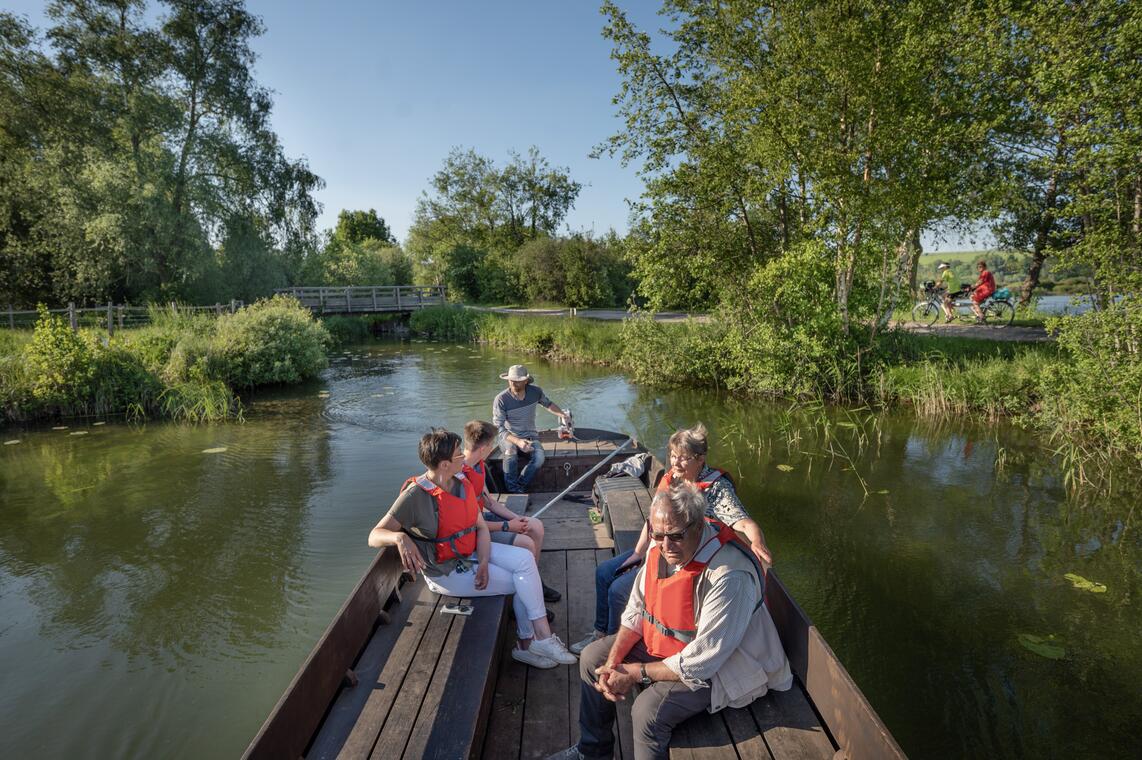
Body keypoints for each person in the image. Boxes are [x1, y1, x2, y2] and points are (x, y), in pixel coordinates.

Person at [548, 483, 793, 760]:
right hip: (672, 645)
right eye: (658, 534)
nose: (665, 545)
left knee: (647, 711)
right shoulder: (661, 545)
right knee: (594, 658)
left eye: (675, 536)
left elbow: (703, 660)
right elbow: (636, 609)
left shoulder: (729, 576)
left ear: (699, 527)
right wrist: (613, 662)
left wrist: (635, 672)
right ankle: (591, 751)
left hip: (724, 665)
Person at [367, 428, 576, 669]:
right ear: (445, 465)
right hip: (446, 573)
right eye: (458, 454)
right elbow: (375, 535)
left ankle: (540, 639)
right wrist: (399, 539)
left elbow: (481, 528)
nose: (463, 457)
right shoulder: (415, 496)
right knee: (521, 581)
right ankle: (527, 644)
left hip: (472, 555)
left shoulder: (461, 482)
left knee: (525, 560)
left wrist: (485, 562)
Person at [570, 423, 774, 655]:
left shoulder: (717, 488)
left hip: (681, 557)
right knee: (604, 572)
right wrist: (638, 553)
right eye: (673, 456)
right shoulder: (673, 479)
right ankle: (600, 633)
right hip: (657, 548)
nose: (675, 463)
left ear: (700, 459)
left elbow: (745, 522)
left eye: (684, 458)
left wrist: (757, 541)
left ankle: (615, 642)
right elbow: (653, 521)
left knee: (618, 590)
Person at [462, 419, 561, 602]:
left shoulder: (478, 465)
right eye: (491, 444)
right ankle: (526, 594)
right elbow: (471, 525)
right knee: (526, 543)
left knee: (535, 525)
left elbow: (490, 503)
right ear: (484, 448)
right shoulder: (458, 476)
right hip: (474, 530)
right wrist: (508, 526)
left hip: (483, 520)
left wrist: (519, 519)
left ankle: (534, 581)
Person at [492, 364, 569, 493]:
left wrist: (562, 414)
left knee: (539, 458)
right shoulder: (501, 399)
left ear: (526, 381)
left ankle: (519, 486)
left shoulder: (535, 392)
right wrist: (518, 442)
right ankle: (512, 489)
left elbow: (548, 404)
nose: (514, 383)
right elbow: (498, 427)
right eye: (511, 380)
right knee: (510, 451)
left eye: (518, 380)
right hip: (509, 437)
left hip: (531, 436)